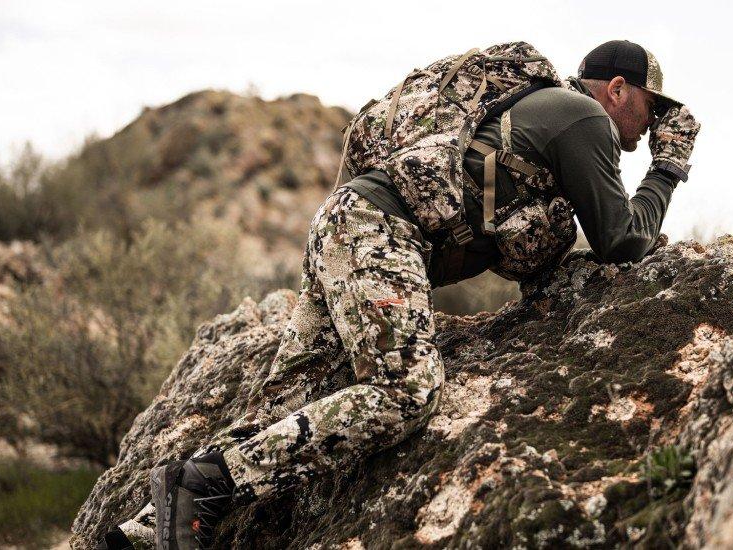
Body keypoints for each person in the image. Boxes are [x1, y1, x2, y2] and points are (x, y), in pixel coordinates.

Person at [97, 39, 700, 549]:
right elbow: (623, 240)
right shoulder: (583, 117)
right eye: (651, 108)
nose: (650, 126)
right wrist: (668, 167)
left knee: (288, 401)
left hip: (344, 222)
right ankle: (201, 485)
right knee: (405, 392)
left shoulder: (537, 109)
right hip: (379, 234)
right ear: (618, 89)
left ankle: (146, 530)